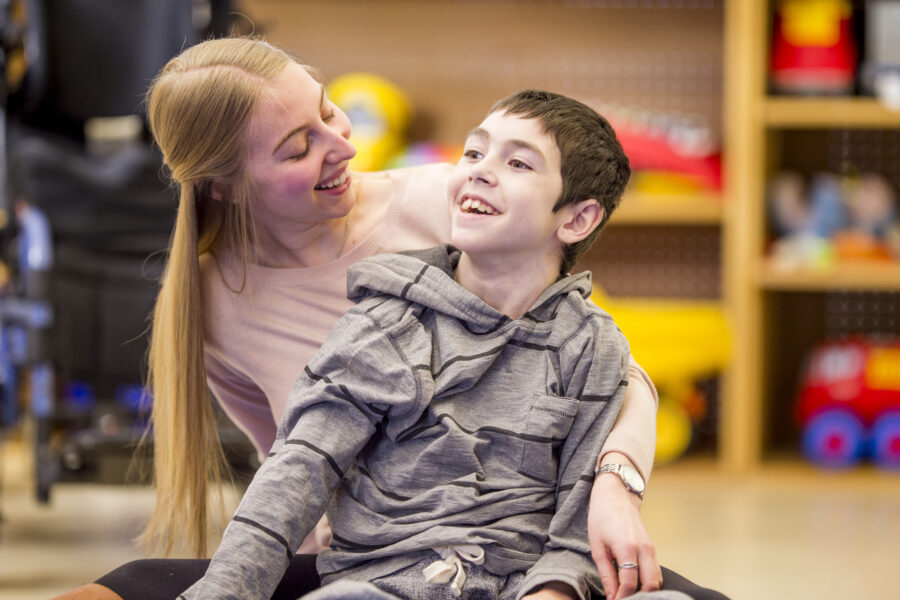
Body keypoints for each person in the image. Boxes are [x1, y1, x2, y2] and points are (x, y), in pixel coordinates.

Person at [53, 37, 727, 600]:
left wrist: (614, 486)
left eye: (329, 112)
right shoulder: (224, 305)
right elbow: (292, 465)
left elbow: (612, 376)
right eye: (297, 147)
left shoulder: (457, 203)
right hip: (376, 557)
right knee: (125, 585)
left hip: (528, 544)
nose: (342, 146)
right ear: (224, 184)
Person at [179, 88, 656, 600]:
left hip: (523, 585)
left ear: (577, 219)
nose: (479, 169)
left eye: (518, 163)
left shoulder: (594, 346)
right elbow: (297, 470)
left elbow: (576, 523)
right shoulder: (383, 322)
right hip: (381, 585)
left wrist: (554, 592)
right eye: (473, 152)